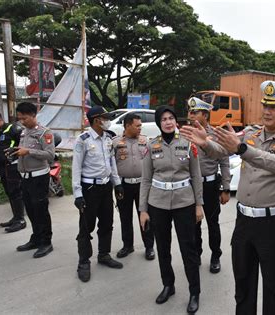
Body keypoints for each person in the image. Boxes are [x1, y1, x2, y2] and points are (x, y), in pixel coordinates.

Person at [181, 80, 275, 315]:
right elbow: (223, 150)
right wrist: (206, 143)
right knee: (244, 284)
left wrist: (242, 149)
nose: (267, 111)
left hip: (274, 224)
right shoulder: (251, 133)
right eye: (265, 106)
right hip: (245, 222)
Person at [139, 106, 204, 314]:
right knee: (163, 248)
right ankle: (168, 285)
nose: (168, 122)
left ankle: (195, 292)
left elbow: (196, 176)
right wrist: (143, 209)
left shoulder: (188, 144)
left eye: (171, 118)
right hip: (158, 205)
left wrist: (199, 205)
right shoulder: (151, 146)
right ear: (159, 123)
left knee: (188, 249)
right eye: (164, 119)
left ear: (176, 121)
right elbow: (146, 179)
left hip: (184, 203)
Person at [72, 106, 125, 283]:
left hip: (105, 188)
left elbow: (112, 162)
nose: (108, 120)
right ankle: (84, 261)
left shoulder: (108, 138)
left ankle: (104, 254)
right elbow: (76, 168)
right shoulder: (83, 140)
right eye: (105, 118)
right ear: (96, 120)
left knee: (107, 223)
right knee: (86, 227)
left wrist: (117, 184)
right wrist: (77, 194)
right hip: (89, 189)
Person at [187, 97, 231, 273]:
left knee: (213, 223)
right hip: (190, 187)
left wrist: (225, 188)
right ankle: (196, 254)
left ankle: (215, 256)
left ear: (205, 114)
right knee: (193, 224)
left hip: (211, 186)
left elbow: (225, 162)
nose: (191, 115)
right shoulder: (185, 134)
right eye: (190, 111)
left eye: (195, 112)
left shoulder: (216, 135)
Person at [13, 102, 55, 258]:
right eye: (19, 119)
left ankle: (46, 242)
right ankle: (36, 238)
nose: (22, 121)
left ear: (33, 115)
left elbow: (50, 155)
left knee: (41, 210)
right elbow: (22, 151)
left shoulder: (45, 133)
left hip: (39, 177)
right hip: (25, 178)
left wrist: (28, 151)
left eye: (24, 118)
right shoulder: (24, 133)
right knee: (30, 209)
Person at [112, 113, 155, 260]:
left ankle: (149, 247)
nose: (140, 128)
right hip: (123, 185)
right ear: (128, 126)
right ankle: (127, 245)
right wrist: (116, 183)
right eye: (137, 125)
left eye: (140, 125)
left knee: (145, 216)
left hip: (142, 185)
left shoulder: (145, 141)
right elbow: (111, 164)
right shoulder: (115, 142)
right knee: (125, 217)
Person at [0, 110, 27, 233]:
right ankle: (15, 217)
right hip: (3, 168)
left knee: (15, 193)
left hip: (13, 167)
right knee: (9, 193)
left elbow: (24, 145)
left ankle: (20, 220)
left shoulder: (13, 129)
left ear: (0, 119)